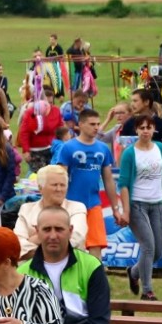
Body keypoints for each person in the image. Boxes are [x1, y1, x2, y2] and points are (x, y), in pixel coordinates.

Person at [19, 206, 113, 324]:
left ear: (70, 231)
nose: (53, 236)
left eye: (59, 229)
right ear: (37, 231)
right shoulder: (22, 273)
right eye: (46, 229)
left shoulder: (91, 266)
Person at [58, 109, 123, 260]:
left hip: (93, 204)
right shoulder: (68, 148)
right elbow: (61, 178)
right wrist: (59, 203)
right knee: (72, 244)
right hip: (72, 204)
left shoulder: (103, 149)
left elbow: (108, 180)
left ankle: (96, 278)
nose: (96, 128)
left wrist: (115, 208)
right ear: (80, 125)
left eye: (98, 124)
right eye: (92, 124)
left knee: (96, 245)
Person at [119, 114, 162, 301]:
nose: (146, 131)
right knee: (147, 246)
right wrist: (126, 210)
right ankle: (147, 290)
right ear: (136, 130)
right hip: (137, 204)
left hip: (157, 203)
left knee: (157, 250)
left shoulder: (160, 148)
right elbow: (123, 184)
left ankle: (133, 273)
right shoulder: (130, 153)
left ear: (153, 129)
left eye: (149, 127)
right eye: (142, 128)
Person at [14, 165, 87, 260]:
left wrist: (35, 239)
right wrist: (58, 240)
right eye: (54, 185)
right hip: (31, 270)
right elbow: (18, 245)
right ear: (40, 188)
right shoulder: (26, 209)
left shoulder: (77, 208)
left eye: (62, 185)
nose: (59, 189)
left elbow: (76, 239)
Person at [121, 89, 162, 171]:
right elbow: (123, 151)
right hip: (134, 172)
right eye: (131, 101)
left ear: (146, 102)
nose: (132, 104)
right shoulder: (129, 124)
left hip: (155, 172)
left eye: (135, 101)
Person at [18, 86, 64, 173]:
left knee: (52, 174)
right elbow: (24, 132)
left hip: (52, 148)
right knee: (39, 175)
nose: (48, 106)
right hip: (36, 150)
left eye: (50, 102)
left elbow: (60, 128)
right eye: (45, 103)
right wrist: (26, 150)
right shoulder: (30, 113)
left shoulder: (56, 111)